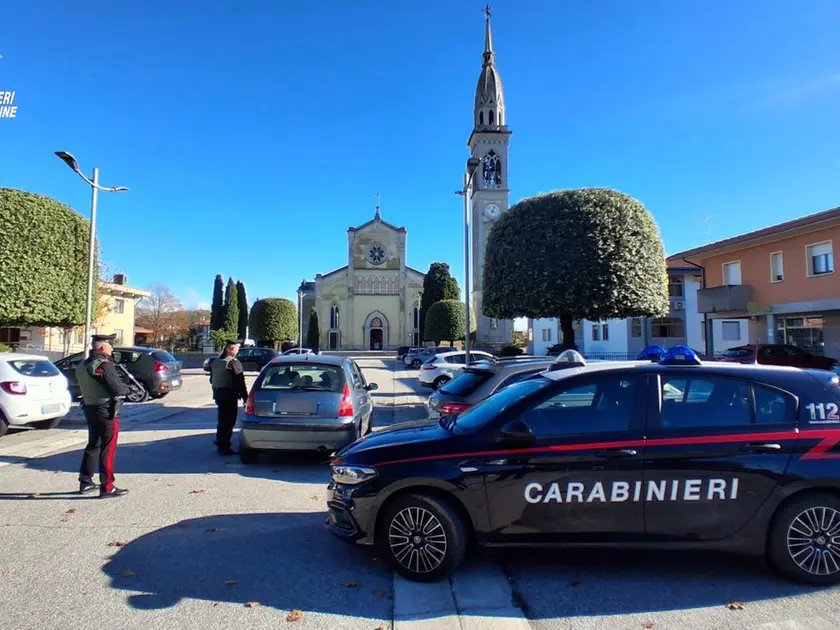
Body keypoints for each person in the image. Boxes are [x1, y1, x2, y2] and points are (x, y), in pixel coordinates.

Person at [76, 333, 130, 498]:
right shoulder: (105, 365)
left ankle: (85, 481)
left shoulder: (83, 365)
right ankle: (107, 486)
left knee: (93, 445)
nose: (112, 348)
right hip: (106, 410)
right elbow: (117, 389)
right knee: (108, 447)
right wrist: (128, 389)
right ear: (102, 347)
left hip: (89, 408)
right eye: (109, 345)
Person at [211, 339, 248, 455]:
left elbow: (211, 379)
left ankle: (221, 442)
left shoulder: (217, 361)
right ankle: (224, 446)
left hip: (218, 394)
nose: (237, 350)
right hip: (229, 395)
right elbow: (240, 381)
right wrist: (245, 397)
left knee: (222, 420)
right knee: (229, 421)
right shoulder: (233, 363)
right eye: (236, 348)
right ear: (230, 349)